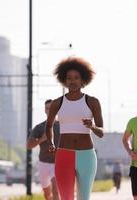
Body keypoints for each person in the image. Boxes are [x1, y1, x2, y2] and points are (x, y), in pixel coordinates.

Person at [45, 57, 104, 200]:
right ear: (64, 81)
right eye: (69, 78)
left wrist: (92, 126)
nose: (72, 81)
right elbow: (49, 126)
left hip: (87, 156)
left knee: (84, 198)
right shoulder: (57, 103)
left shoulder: (92, 102)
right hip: (64, 155)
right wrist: (51, 143)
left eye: (76, 77)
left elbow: (101, 132)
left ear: (83, 80)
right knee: (66, 198)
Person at [27, 99, 60, 200]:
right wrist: (42, 139)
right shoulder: (39, 127)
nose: (49, 110)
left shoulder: (63, 126)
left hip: (57, 163)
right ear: (45, 110)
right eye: (47, 108)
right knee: (47, 194)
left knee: (55, 188)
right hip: (43, 163)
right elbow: (29, 145)